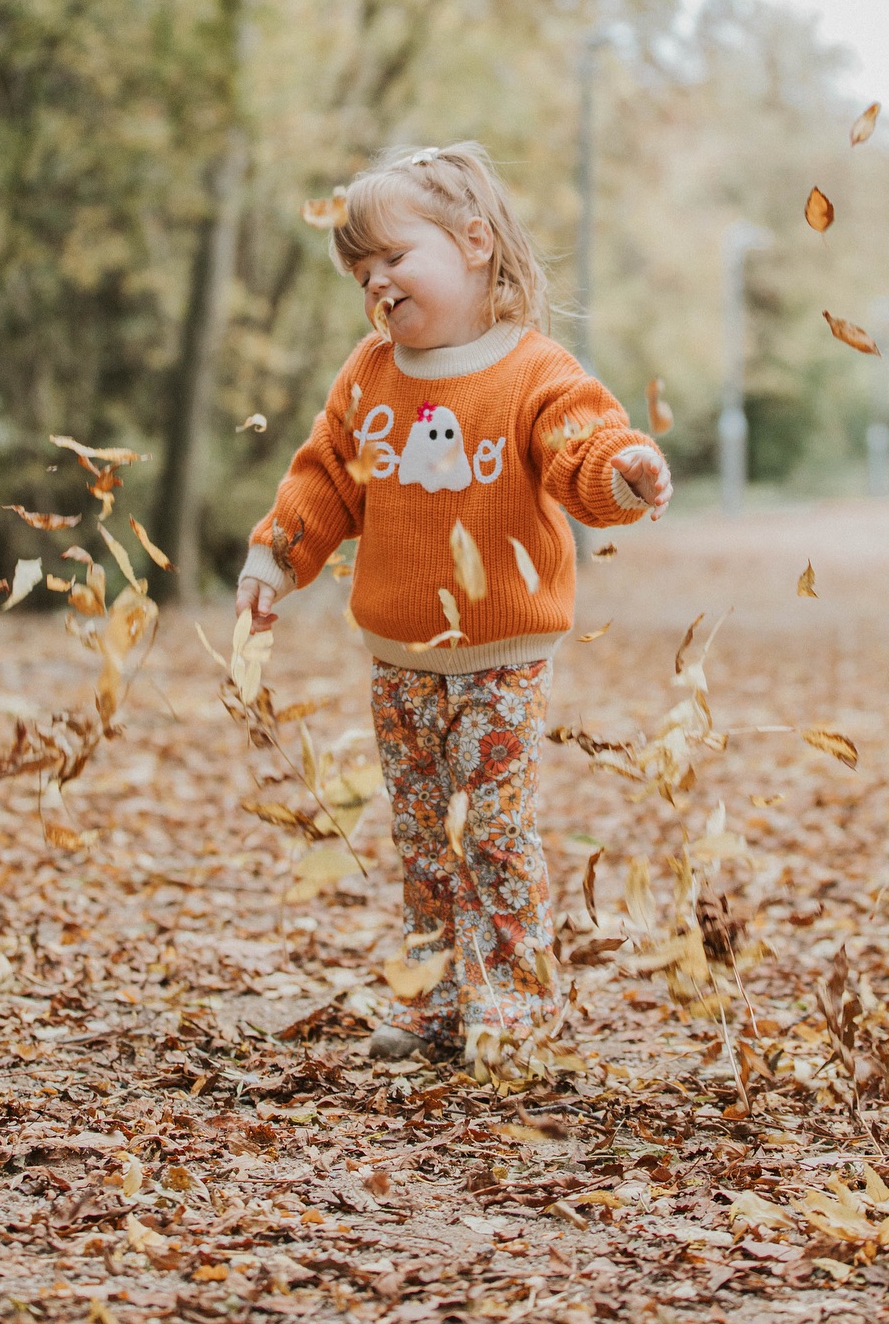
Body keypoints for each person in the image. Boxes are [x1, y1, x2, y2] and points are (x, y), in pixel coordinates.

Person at [236, 142, 671, 1063]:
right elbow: (325, 477)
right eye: (362, 270)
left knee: (493, 829)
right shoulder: (370, 374)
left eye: (395, 256)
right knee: (424, 833)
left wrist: (621, 473)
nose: (377, 282)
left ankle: (513, 1004)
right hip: (399, 656)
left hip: (502, 655)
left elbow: (582, 448)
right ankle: (435, 996)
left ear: (475, 244)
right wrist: (275, 559)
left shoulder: (533, 371)